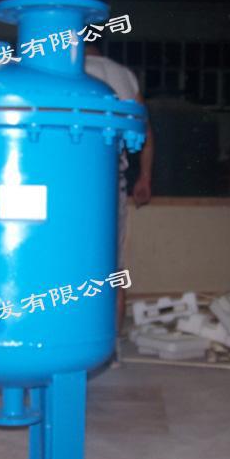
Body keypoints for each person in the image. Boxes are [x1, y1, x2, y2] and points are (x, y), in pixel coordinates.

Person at [84, 43, 155, 333]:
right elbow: (145, 131)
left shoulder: (58, 71)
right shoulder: (123, 75)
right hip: (111, 183)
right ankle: (110, 343)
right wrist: (145, 178)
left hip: (64, 184)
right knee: (113, 264)